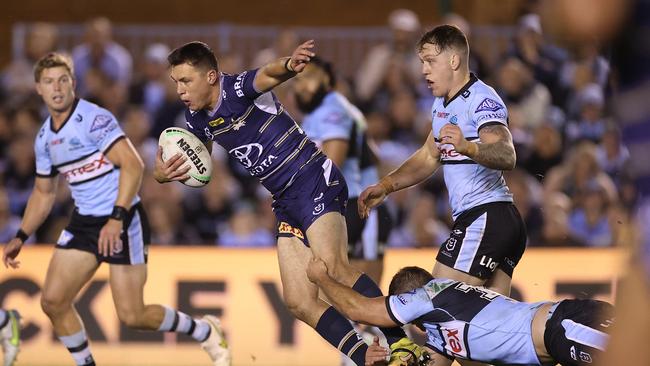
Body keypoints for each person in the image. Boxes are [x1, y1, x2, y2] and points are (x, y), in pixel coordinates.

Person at [156, 40, 416, 365]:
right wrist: (167, 171)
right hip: (284, 198)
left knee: (333, 268)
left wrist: (290, 65)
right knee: (298, 301)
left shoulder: (236, 88)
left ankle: (403, 343)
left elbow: (266, 74)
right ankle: (364, 355)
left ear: (210, 76)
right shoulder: (195, 119)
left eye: (185, 80)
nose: (179, 89)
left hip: (311, 177)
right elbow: (202, 166)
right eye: (175, 82)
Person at [1, 53, 229, 366]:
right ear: (38, 89)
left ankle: (204, 330)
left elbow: (133, 165)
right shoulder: (44, 139)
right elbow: (43, 192)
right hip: (85, 222)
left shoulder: (93, 119)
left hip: (123, 219)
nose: (56, 88)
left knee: (133, 315)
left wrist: (116, 217)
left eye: (62, 80)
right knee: (53, 301)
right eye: (48, 82)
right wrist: (21, 235)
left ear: (73, 83)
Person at [360, 25, 525, 300]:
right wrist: (387, 185)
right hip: (492, 219)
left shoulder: (482, 99)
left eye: (430, 61)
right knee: (489, 327)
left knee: (436, 304)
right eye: (422, 62)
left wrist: (468, 147)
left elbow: (507, 154)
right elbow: (428, 156)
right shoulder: (442, 105)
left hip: (485, 216)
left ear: (453, 61)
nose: (424, 70)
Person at [307, 260, 614, 366]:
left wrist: (322, 278)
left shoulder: (429, 296)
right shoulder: (443, 332)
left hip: (565, 328)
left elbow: (358, 309)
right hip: (558, 336)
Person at [293, 56, 390, 284]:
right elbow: (372, 154)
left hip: (354, 205)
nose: (301, 86)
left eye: (309, 78)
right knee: (346, 288)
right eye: (297, 81)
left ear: (326, 80)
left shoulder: (331, 110)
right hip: (353, 203)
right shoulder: (330, 110)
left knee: (351, 288)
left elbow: (331, 166)